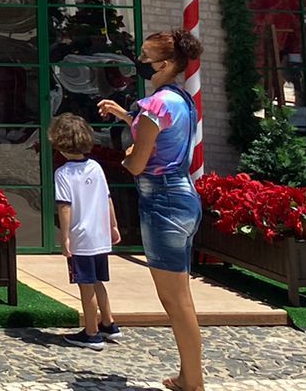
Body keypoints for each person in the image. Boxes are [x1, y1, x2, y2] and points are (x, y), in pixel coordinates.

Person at [98, 29, 205, 391]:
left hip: (162, 202)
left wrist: (127, 154)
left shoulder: (154, 104)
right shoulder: (181, 99)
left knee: (176, 302)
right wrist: (128, 118)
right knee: (181, 297)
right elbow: (161, 134)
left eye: (145, 57)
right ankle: (188, 376)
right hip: (184, 197)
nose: (141, 63)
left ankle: (195, 382)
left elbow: (137, 162)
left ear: (165, 63)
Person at [51, 112, 122, 349]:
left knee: (85, 284)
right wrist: (113, 225)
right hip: (100, 234)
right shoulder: (96, 167)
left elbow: (65, 208)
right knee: (98, 280)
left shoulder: (63, 174)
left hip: (81, 237)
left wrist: (65, 237)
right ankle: (108, 322)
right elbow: (108, 198)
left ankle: (91, 332)